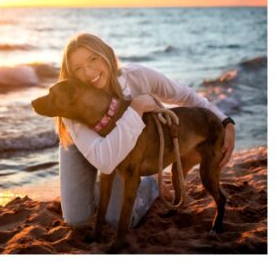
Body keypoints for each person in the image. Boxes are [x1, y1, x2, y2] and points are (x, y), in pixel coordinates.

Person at [55, 33, 234, 228]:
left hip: (123, 150)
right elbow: (104, 162)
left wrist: (225, 121)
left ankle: (150, 183)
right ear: (71, 76)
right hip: (84, 146)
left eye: (93, 59)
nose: (88, 73)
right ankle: (101, 190)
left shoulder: (137, 76)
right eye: (78, 69)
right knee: (76, 220)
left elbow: (186, 96)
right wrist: (136, 108)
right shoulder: (70, 104)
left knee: (116, 220)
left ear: (106, 55)